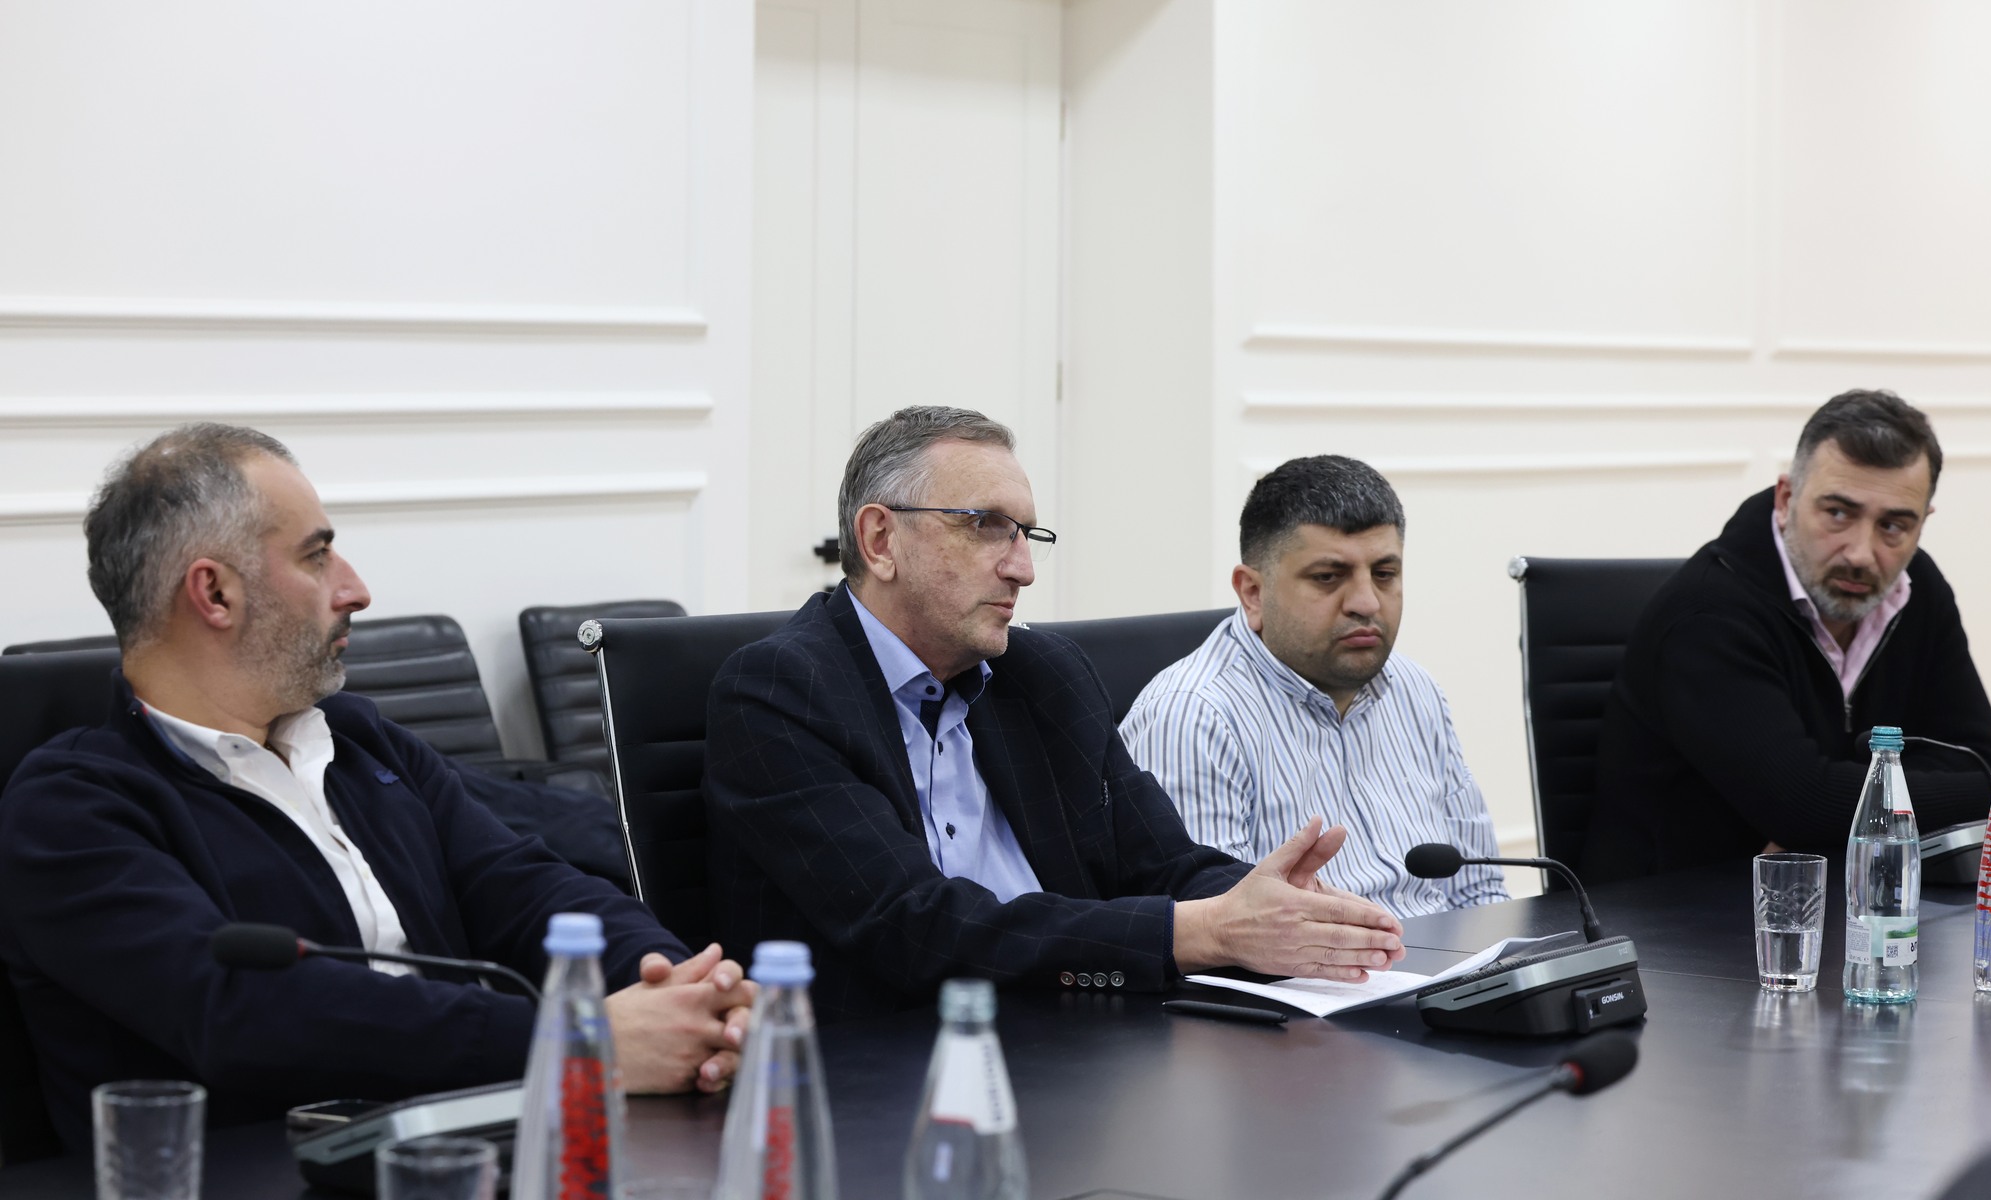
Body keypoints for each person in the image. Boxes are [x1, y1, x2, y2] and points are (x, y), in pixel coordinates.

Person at [0, 424, 754, 1151]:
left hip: (471, 1142)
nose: (355, 589)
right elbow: (246, 1012)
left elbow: (525, 886)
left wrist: (681, 992)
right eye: (316, 556)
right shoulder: (70, 810)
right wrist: (580, 1043)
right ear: (216, 593)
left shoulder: (357, 739)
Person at [704, 407, 1407, 1021]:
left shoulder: (1045, 675)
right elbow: (913, 927)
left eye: (1026, 535)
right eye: (986, 527)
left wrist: (1271, 906)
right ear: (881, 540)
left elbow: (1165, 865)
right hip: (878, 1070)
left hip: (1077, 1034)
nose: (1023, 568)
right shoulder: (778, 691)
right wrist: (1205, 931)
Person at [1582, 390, 1991, 882]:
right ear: (1786, 499)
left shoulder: (1916, 587)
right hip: (1670, 910)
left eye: (1892, 526)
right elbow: (1804, 803)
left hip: (1837, 894)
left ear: (1922, 523)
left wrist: (1830, 818)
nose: (1861, 553)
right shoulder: (1707, 614)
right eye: (1838, 513)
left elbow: (1973, 756)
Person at [1121, 456, 1510, 917]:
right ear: (1252, 593)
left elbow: (1480, 893)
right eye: (1328, 577)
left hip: (1448, 959)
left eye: (1384, 574)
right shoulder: (1192, 718)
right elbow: (1223, 932)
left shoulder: (1415, 687)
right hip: (1311, 964)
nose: (1366, 603)